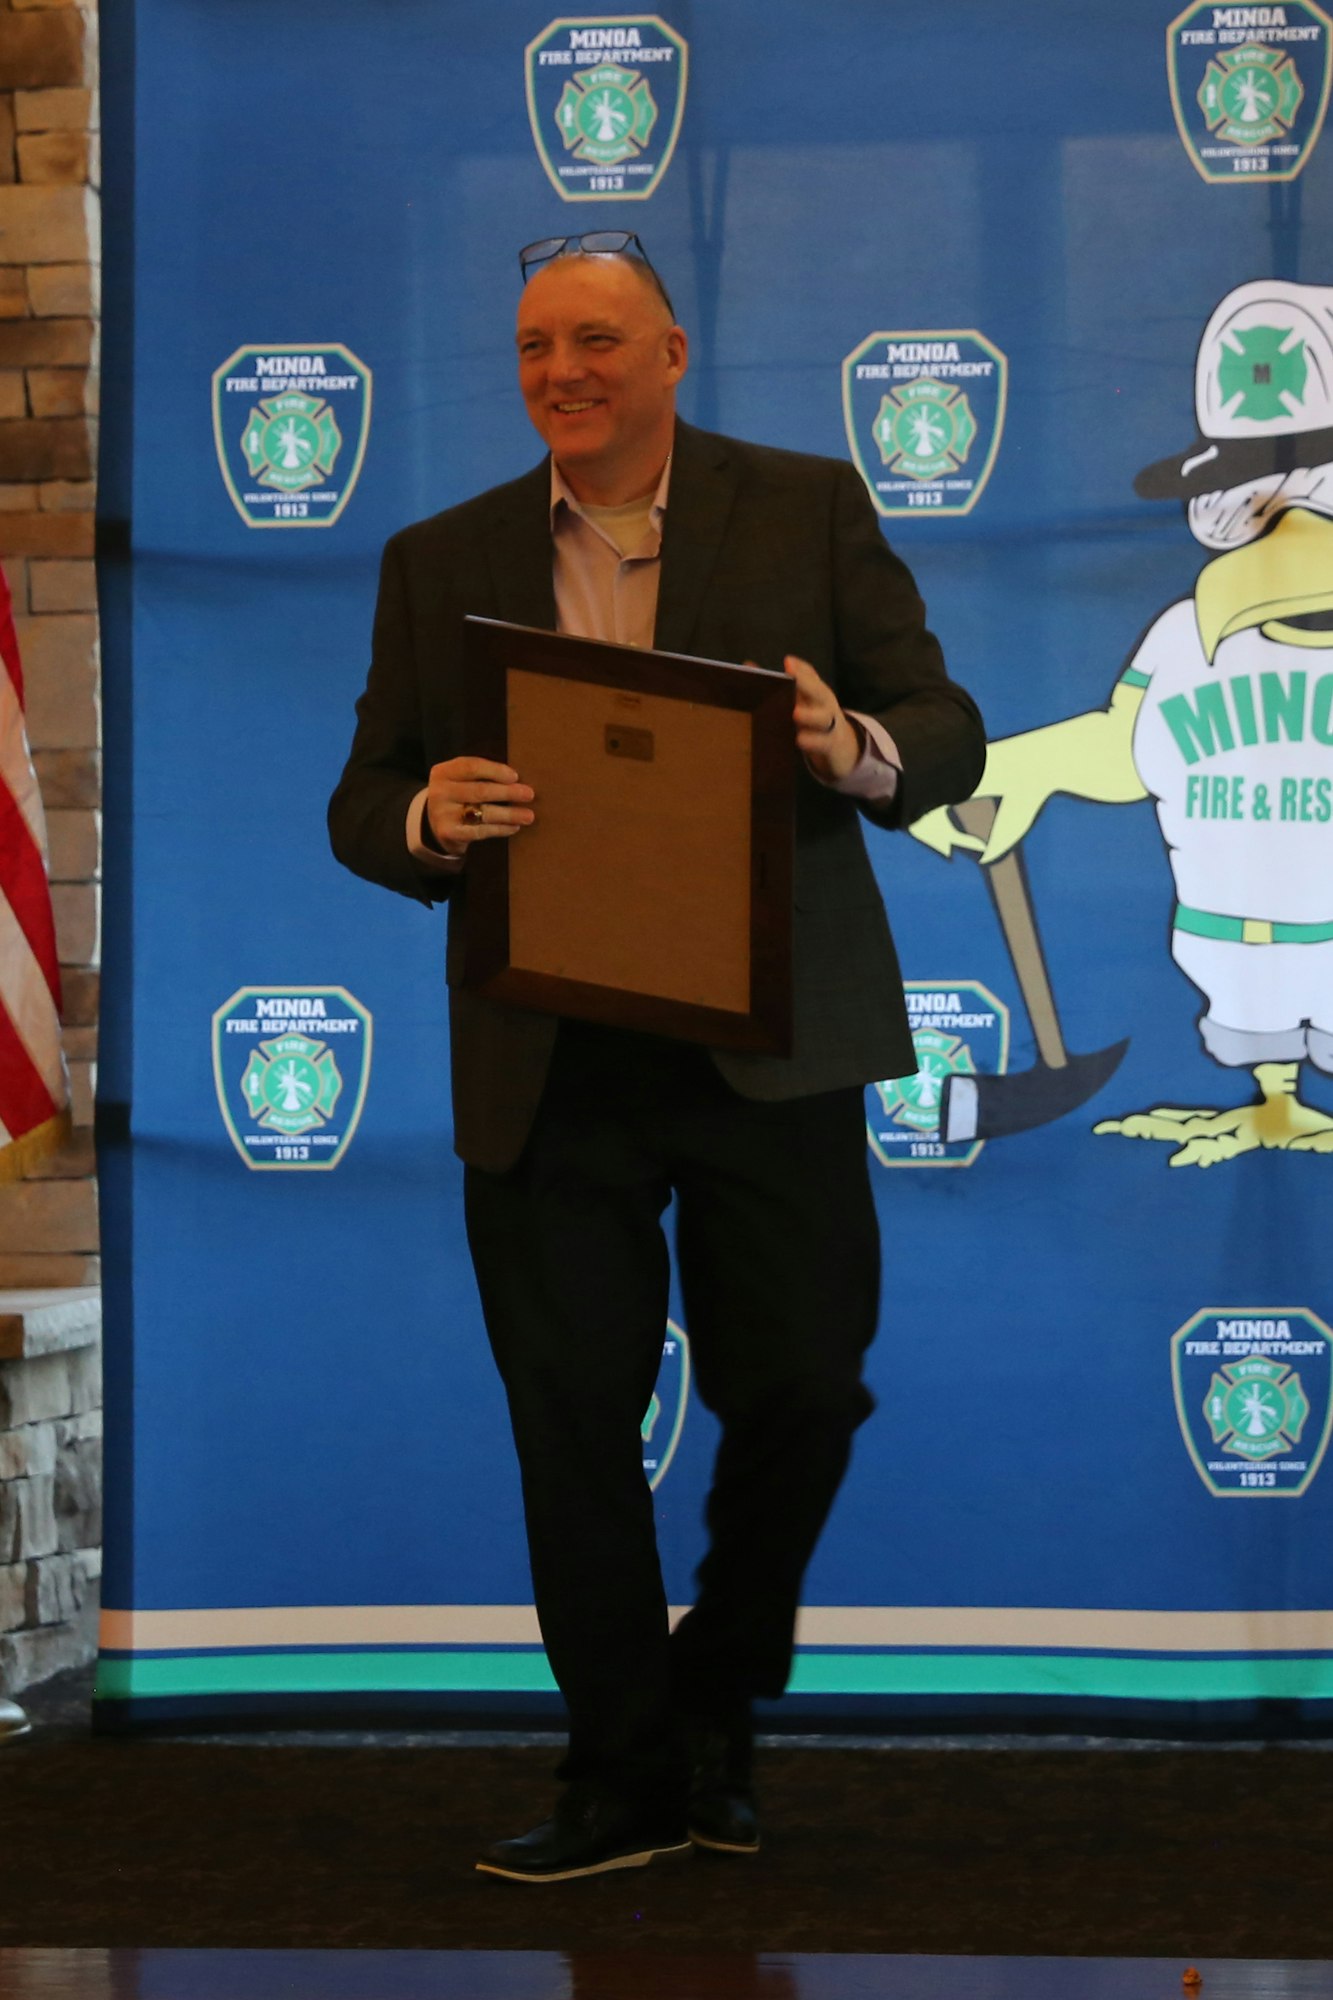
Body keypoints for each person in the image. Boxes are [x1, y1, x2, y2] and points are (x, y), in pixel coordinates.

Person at [328, 233, 985, 1883]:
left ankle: (714, 1693)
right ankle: (620, 1771)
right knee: (570, 1420)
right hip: (550, 1058)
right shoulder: (436, 557)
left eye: (598, 341)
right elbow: (364, 796)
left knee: (805, 1389)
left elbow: (942, 727)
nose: (563, 371)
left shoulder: (808, 507)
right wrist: (427, 818)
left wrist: (849, 744)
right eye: (537, 345)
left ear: (672, 355)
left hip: (771, 1042)